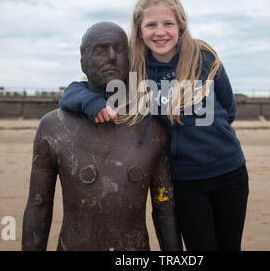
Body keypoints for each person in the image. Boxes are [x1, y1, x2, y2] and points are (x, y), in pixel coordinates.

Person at [60, 0, 249, 251]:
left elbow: (229, 109)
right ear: (139, 30)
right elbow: (74, 90)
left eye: (168, 23)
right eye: (151, 25)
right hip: (185, 182)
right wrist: (92, 103)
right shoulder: (136, 70)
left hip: (230, 172)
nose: (160, 32)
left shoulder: (204, 58)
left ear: (180, 26)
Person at [22, 21, 182, 251]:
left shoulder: (152, 128)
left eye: (119, 50)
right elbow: (39, 204)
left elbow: (165, 209)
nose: (111, 57)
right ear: (82, 60)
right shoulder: (53, 128)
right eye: (100, 50)